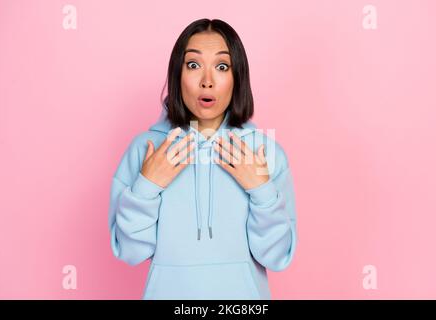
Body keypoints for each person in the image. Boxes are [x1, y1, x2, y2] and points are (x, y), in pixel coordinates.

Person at [108, 18, 298, 300]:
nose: (207, 81)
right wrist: (147, 186)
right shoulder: (145, 149)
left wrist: (261, 191)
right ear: (177, 74)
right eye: (193, 65)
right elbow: (130, 251)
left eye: (222, 67)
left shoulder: (265, 153)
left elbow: (278, 256)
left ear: (237, 77)